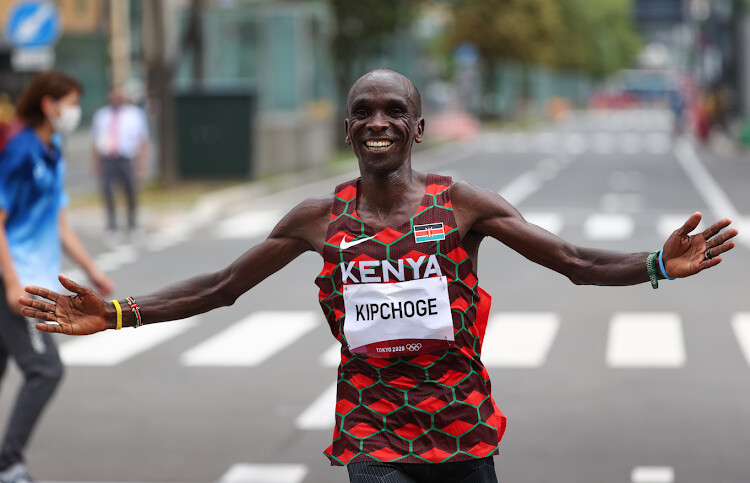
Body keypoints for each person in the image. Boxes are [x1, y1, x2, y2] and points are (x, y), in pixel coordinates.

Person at [19, 69, 737, 483]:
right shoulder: (317, 219)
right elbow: (219, 286)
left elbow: (575, 262)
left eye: (396, 111)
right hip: (373, 432)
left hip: (463, 429)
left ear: (418, 128)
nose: (378, 121)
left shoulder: (463, 205)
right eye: (363, 112)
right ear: (349, 130)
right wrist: (117, 313)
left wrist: (656, 264)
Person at [0, 71, 114, 483]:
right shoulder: (22, 151)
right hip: (16, 281)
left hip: (31, 276)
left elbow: (59, 222)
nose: (75, 111)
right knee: (46, 370)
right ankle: (8, 464)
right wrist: (12, 284)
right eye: (71, 103)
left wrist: (92, 270)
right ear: (49, 105)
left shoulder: (54, 149)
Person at [90, 87, 150, 244]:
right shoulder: (102, 115)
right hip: (107, 158)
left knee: (131, 191)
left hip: (127, 157)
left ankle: (133, 226)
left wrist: (142, 163)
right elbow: (95, 141)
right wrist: (96, 163)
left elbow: (142, 140)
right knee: (108, 192)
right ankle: (112, 228)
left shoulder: (135, 115)